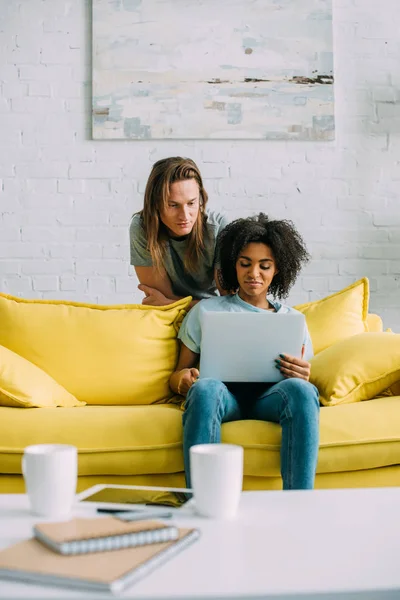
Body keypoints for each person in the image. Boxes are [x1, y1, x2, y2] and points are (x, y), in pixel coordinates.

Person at [169, 213, 320, 490]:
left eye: (265, 266)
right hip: (224, 398)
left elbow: (303, 378)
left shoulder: (292, 319)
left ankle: (300, 503)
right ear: (233, 266)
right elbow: (177, 374)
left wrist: (303, 375)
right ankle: (201, 503)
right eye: (245, 264)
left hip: (271, 399)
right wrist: (185, 379)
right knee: (205, 389)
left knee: (303, 391)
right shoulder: (206, 310)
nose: (254, 274)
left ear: (278, 270)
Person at [129, 157, 229, 307]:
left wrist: (173, 304)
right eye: (173, 205)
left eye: (191, 203)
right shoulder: (143, 228)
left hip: (210, 314)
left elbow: (228, 301)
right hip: (171, 316)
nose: (185, 216)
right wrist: (171, 304)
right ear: (156, 204)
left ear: (201, 198)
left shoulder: (218, 227)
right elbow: (161, 301)